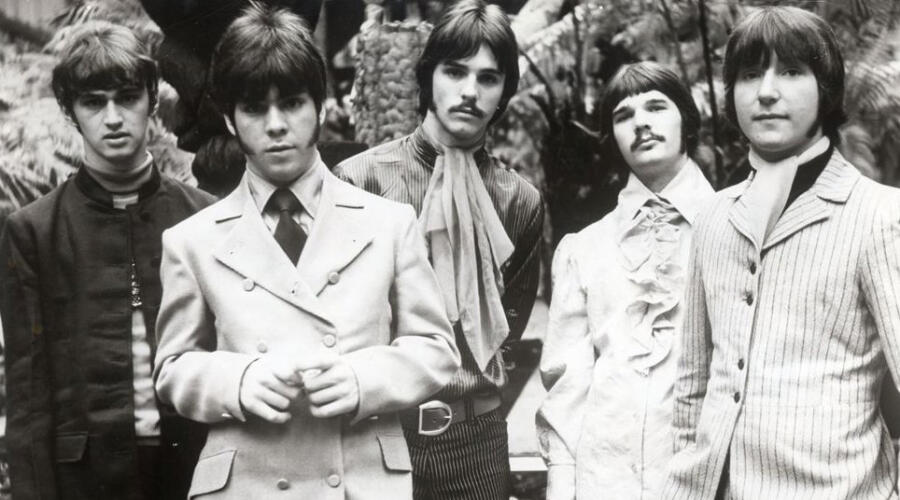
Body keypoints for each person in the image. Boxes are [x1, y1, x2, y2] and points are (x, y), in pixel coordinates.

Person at [152, 5, 460, 499]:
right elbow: (172, 368)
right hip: (249, 482)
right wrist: (237, 380)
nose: (276, 125)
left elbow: (437, 348)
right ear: (229, 119)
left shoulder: (388, 222)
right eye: (254, 108)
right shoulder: (193, 239)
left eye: (293, 103)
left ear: (319, 106)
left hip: (358, 479)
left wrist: (362, 378)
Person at [662, 7, 900, 499]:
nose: (766, 91)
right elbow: (692, 383)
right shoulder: (714, 217)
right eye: (750, 75)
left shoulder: (880, 216)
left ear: (826, 89)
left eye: (791, 71)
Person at [335, 1, 543, 498]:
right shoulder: (361, 181)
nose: (470, 91)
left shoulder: (519, 200)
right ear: (428, 76)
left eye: (488, 78)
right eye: (455, 71)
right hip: (381, 435)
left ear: (505, 91)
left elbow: (507, 329)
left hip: (478, 442)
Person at [0, 21, 213, 500]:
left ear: (152, 99)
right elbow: (27, 394)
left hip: (194, 470)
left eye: (127, 97)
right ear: (70, 111)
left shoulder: (203, 217)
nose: (113, 118)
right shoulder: (34, 231)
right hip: (85, 480)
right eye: (94, 102)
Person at [536, 62, 714, 500]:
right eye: (623, 115)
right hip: (604, 481)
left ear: (687, 120)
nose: (641, 123)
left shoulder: (734, 228)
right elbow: (567, 385)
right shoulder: (584, 248)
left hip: (706, 479)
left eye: (656, 106)